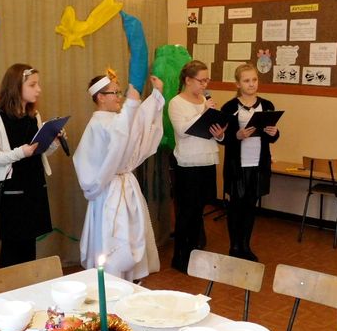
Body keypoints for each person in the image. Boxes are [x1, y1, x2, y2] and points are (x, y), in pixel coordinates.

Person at [73, 70, 164, 281]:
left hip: (126, 184)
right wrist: (133, 105)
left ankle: (131, 274)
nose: (119, 97)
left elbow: (138, 123)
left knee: (132, 231)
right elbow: (119, 136)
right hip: (110, 190)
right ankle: (113, 276)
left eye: (120, 92)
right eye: (115, 93)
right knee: (115, 233)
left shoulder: (116, 119)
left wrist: (156, 95)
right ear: (100, 97)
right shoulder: (98, 124)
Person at [0, 64, 58, 267]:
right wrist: (20, 153)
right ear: (16, 86)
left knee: (29, 248)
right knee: (12, 249)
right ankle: (9, 288)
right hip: (12, 193)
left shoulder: (35, 116)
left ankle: (28, 286)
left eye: (38, 84)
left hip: (35, 188)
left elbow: (39, 152)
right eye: (32, 85)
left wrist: (53, 141)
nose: (38, 89)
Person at [168, 60, 226, 272]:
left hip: (207, 160)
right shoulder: (176, 102)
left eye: (207, 80)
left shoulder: (204, 100)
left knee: (200, 210)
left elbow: (211, 129)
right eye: (201, 80)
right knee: (187, 211)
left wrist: (220, 134)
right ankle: (180, 257)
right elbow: (182, 131)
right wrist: (203, 112)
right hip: (188, 163)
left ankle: (195, 253)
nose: (205, 85)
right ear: (188, 80)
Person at [219, 64, 280, 261]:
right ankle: (234, 246)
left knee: (250, 207)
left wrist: (274, 133)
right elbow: (223, 137)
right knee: (236, 206)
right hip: (237, 165)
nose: (251, 84)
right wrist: (236, 136)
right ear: (238, 84)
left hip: (258, 164)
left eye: (254, 80)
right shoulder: (229, 107)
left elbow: (270, 137)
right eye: (246, 81)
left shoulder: (267, 105)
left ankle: (245, 245)